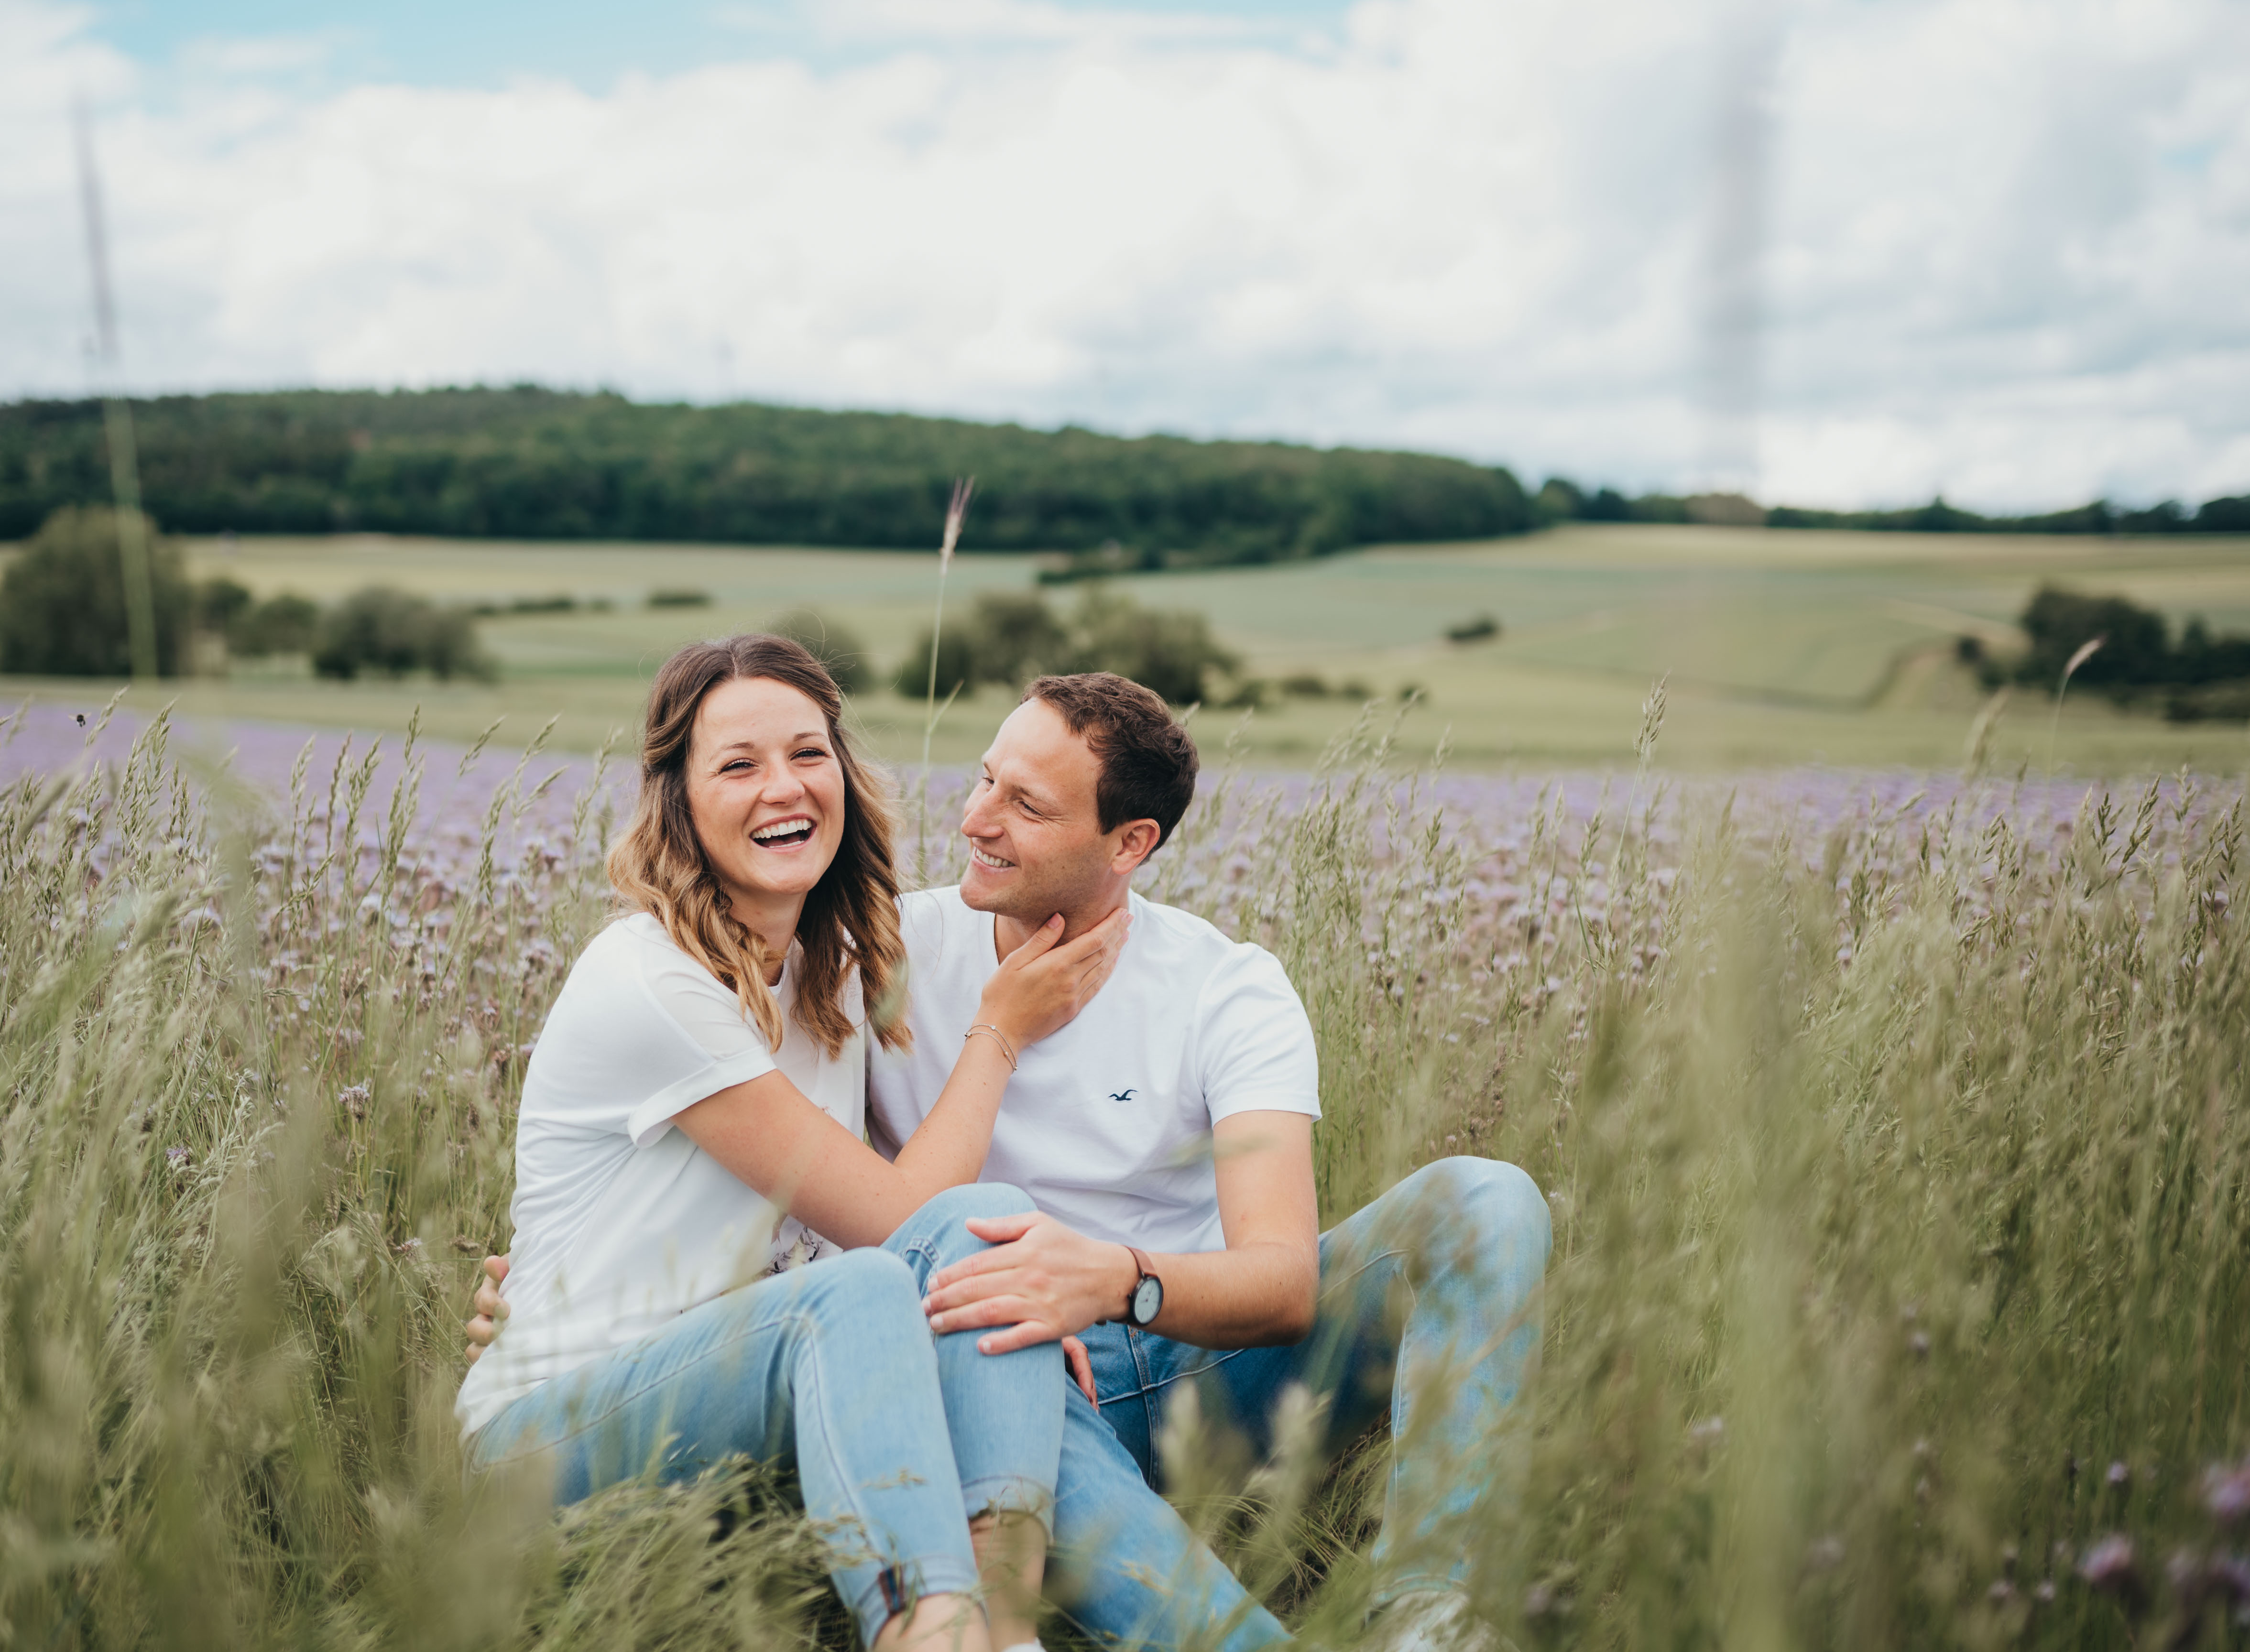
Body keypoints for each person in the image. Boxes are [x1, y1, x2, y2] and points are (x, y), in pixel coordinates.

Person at [476, 670, 1551, 1650]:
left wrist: (1116, 1278)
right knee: (982, 1262)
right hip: (985, 1375)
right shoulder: (866, 963)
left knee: (1487, 1201)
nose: (976, 821)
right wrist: (562, 1303)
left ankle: (1433, 1620)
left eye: (1025, 807)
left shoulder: (1228, 989)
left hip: (1185, 1360)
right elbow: (753, 1166)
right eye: (985, 779)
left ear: (1128, 845)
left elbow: (1281, 1283)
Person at [456, 634, 1130, 1652]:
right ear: (676, 799)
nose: (785, 787)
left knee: (983, 1237)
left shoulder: (830, 970)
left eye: (809, 754)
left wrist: (1000, 1273)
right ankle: (934, 1635)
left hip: (713, 1414)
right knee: (899, 1273)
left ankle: (1006, 1627)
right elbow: (895, 1231)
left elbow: (907, 1235)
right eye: (738, 764)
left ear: (845, 777)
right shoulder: (653, 982)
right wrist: (1001, 1033)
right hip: (542, 1445)